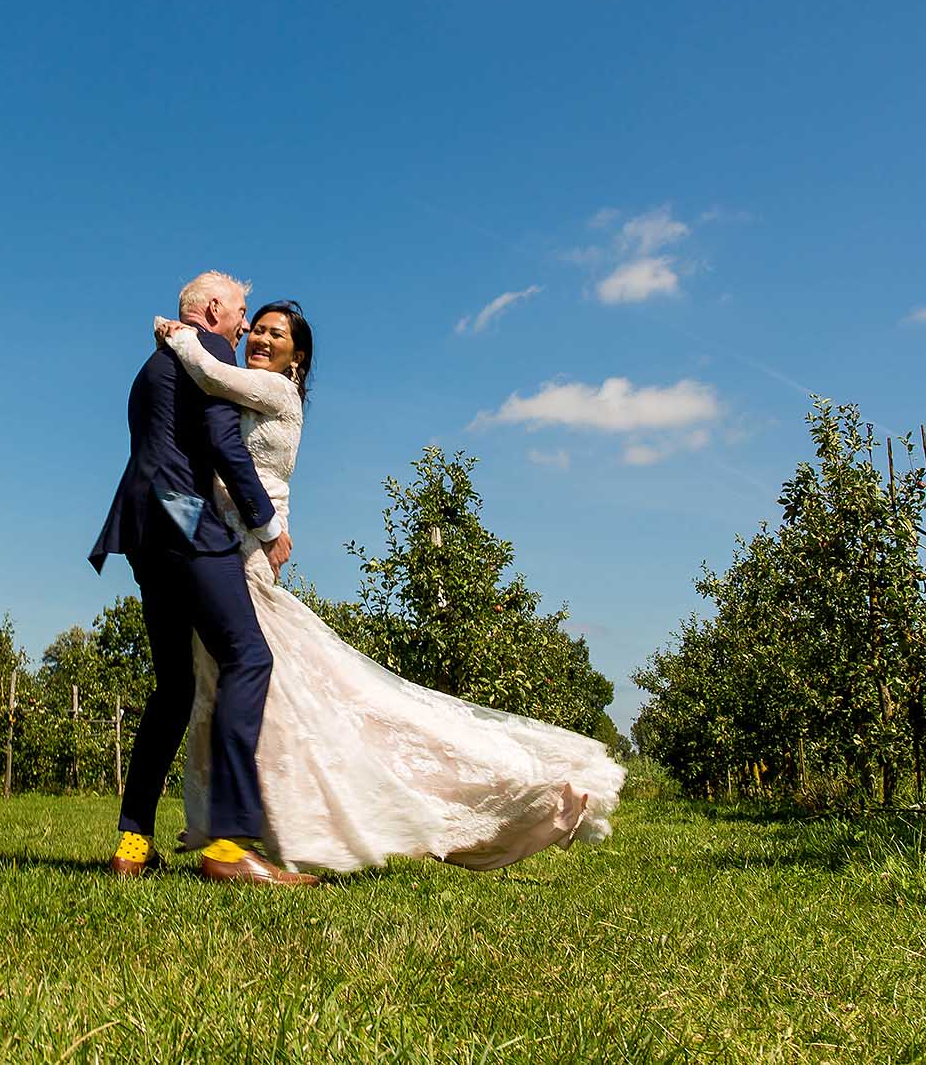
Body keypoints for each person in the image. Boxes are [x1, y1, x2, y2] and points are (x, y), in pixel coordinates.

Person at [157, 300, 625, 873]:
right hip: (222, 548)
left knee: (298, 693)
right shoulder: (244, 393)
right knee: (268, 696)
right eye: (256, 328)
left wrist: (181, 337)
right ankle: (248, 833)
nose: (260, 338)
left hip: (246, 549)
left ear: (296, 358)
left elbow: (211, 378)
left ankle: (248, 837)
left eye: (275, 334)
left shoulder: (274, 392)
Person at [87, 271, 315, 886]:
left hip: (136, 526)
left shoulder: (150, 366)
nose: (245, 328)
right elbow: (222, 442)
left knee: (175, 686)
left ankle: (132, 840)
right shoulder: (207, 353)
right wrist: (267, 525)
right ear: (214, 309)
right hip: (185, 518)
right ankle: (230, 843)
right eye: (243, 314)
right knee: (248, 659)